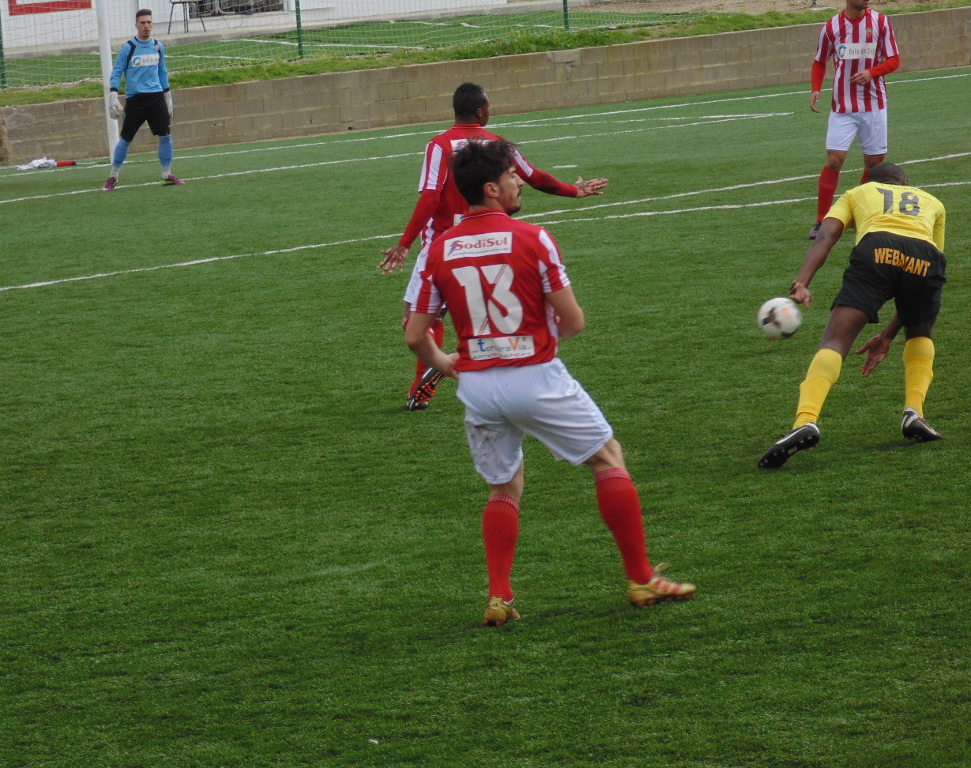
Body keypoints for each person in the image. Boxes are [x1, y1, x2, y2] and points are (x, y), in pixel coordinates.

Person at [405, 139, 694, 626]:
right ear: (491, 188)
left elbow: (415, 336)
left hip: (477, 388)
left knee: (503, 487)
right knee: (608, 458)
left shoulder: (439, 249)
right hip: (534, 376)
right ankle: (641, 578)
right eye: (511, 176)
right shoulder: (533, 237)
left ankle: (499, 597)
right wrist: (526, 339)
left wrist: (447, 362)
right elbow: (573, 321)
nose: (519, 181)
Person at [380, 82, 608, 411]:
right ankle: (491, 359)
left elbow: (430, 196)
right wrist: (575, 191)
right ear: (480, 111)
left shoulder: (439, 144)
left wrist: (404, 243)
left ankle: (428, 376)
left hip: (445, 244)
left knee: (417, 319)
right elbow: (534, 177)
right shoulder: (498, 146)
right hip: (492, 236)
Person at [759, 163, 946, 469]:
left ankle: (805, 421)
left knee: (835, 342)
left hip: (877, 249)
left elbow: (825, 237)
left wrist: (802, 283)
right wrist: (887, 335)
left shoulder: (857, 192)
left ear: (869, 181)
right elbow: (929, 265)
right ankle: (914, 413)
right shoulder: (933, 202)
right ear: (905, 182)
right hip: (925, 258)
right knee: (920, 333)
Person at [807, 0, 899, 239]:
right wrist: (816, 88)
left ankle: (859, 213)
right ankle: (821, 220)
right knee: (834, 160)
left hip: (874, 105)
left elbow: (894, 60)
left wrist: (872, 72)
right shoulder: (831, 27)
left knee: (874, 164)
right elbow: (819, 61)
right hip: (842, 107)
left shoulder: (881, 22)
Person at [103, 9, 184, 191]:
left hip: (157, 99)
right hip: (136, 100)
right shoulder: (128, 48)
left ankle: (166, 175)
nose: (146, 26)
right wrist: (113, 95)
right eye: (142, 23)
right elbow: (117, 72)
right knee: (125, 139)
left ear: (152, 24)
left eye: (149, 22)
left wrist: (167, 96)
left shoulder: (158, 46)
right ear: (136, 25)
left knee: (165, 137)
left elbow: (162, 72)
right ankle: (113, 176)